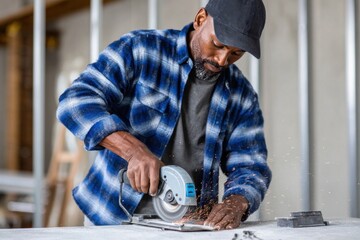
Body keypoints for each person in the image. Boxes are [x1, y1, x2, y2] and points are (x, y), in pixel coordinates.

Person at [57, 0, 271, 230]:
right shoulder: (141, 50)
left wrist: (237, 202)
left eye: (236, 53)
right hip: (111, 216)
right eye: (217, 44)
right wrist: (133, 151)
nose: (222, 60)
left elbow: (251, 165)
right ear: (200, 20)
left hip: (189, 226)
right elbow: (75, 100)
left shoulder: (242, 95)